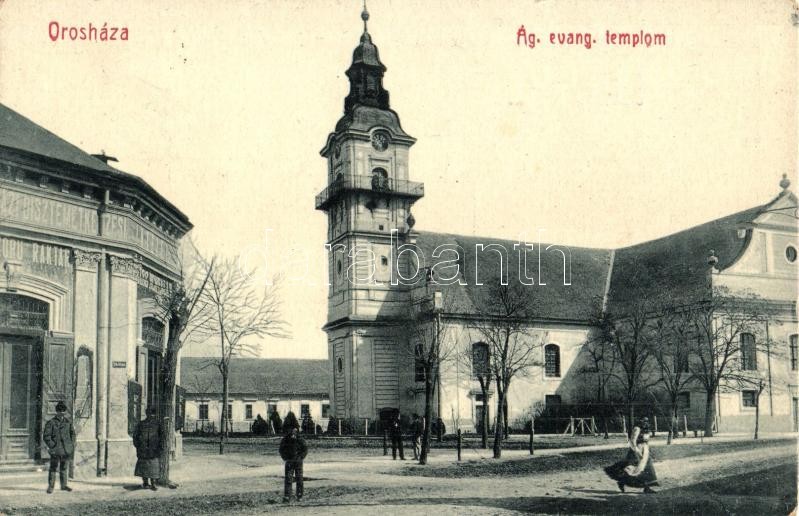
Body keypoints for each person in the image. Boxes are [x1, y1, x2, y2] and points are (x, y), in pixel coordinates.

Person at [604, 426, 659, 494]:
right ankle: (622, 482)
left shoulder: (646, 430)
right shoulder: (637, 429)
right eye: (643, 421)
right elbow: (632, 441)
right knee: (634, 469)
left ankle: (647, 488)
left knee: (647, 468)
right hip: (637, 451)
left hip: (645, 451)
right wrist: (637, 452)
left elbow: (646, 441)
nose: (645, 422)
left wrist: (647, 450)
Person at [43, 401, 75, 494]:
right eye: (60, 411)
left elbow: (73, 434)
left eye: (63, 411)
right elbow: (46, 436)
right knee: (53, 468)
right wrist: (53, 446)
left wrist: (71, 445)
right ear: (57, 412)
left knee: (64, 468)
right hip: (56, 450)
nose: (62, 413)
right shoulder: (51, 423)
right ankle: (51, 486)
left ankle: (64, 485)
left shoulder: (68, 422)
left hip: (66, 449)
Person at [133, 406, 162, 490]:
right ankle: (145, 483)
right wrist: (138, 445)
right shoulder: (141, 424)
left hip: (154, 450)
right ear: (146, 414)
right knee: (144, 467)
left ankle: (153, 484)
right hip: (143, 449)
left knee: (154, 467)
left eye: (153, 414)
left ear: (155, 415)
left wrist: (159, 447)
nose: (151, 416)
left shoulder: (158, 424)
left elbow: (162, 436)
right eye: (149, 414)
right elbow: (135, 436)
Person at [279, 427, 307, 502]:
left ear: (296, 430)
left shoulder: (300, 439)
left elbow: (305, 449)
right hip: (289, 461)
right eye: (291, 430)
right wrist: (285, 458)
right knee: (288, 478)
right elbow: (281, 449)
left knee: (299, 478)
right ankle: (287, 496)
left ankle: (299, 495)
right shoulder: (286, 439)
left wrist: (301, 457)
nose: (293, 431)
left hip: (298, 462)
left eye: (294, 430)